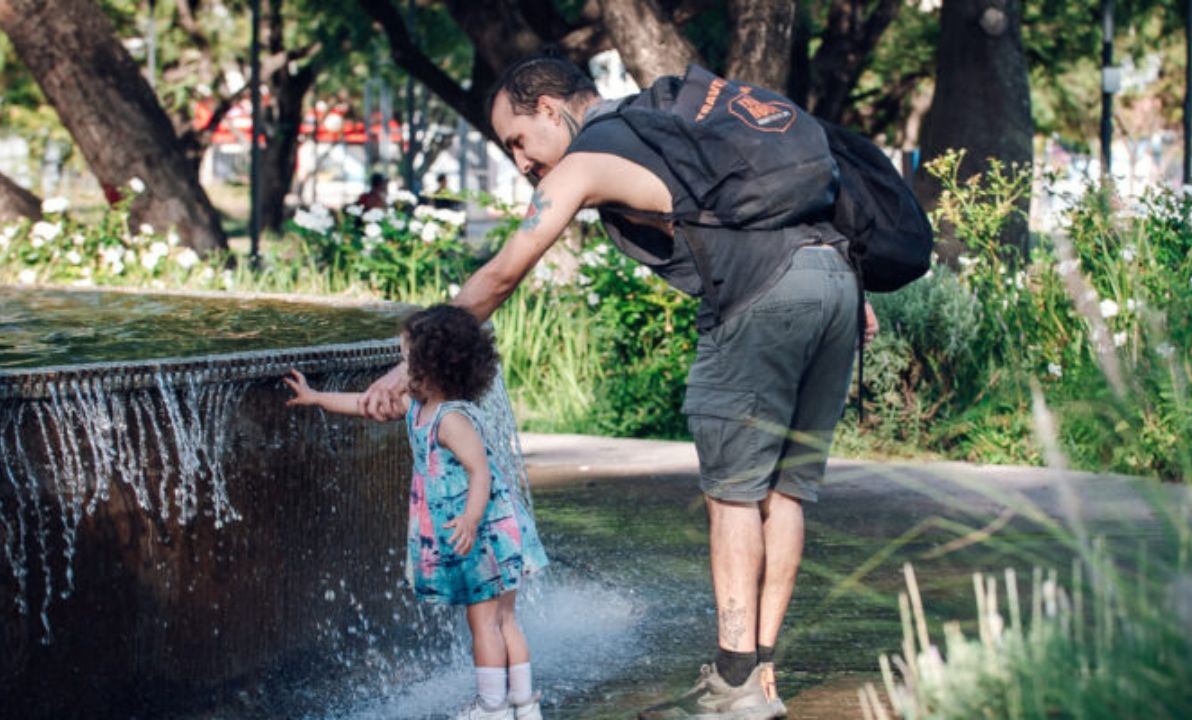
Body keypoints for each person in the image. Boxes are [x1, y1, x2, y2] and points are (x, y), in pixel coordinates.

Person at [361, 56, 879, 719]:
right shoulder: (669, 121)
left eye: (517, 139)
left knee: (734, 497)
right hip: (835, 279)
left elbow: (502, 274)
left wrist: (411, 367)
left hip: (761, 297)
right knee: (785, 491)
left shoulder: (588, 157)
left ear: (550, 108)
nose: (520, 161)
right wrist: (840, 293)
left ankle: (735, 689)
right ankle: (758, 673)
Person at [285, 304, 549, 720]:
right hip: (489, 528)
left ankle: (493, 707)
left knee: (486, 624)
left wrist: (470, 520)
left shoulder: (450, 419)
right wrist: (317, 398)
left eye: (406, 358)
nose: (400, 367)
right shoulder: (416, 405)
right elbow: (362, 404)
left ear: (429, 366)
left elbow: (481, 473)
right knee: (504, 621)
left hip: (481, 531)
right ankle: (524, 703)